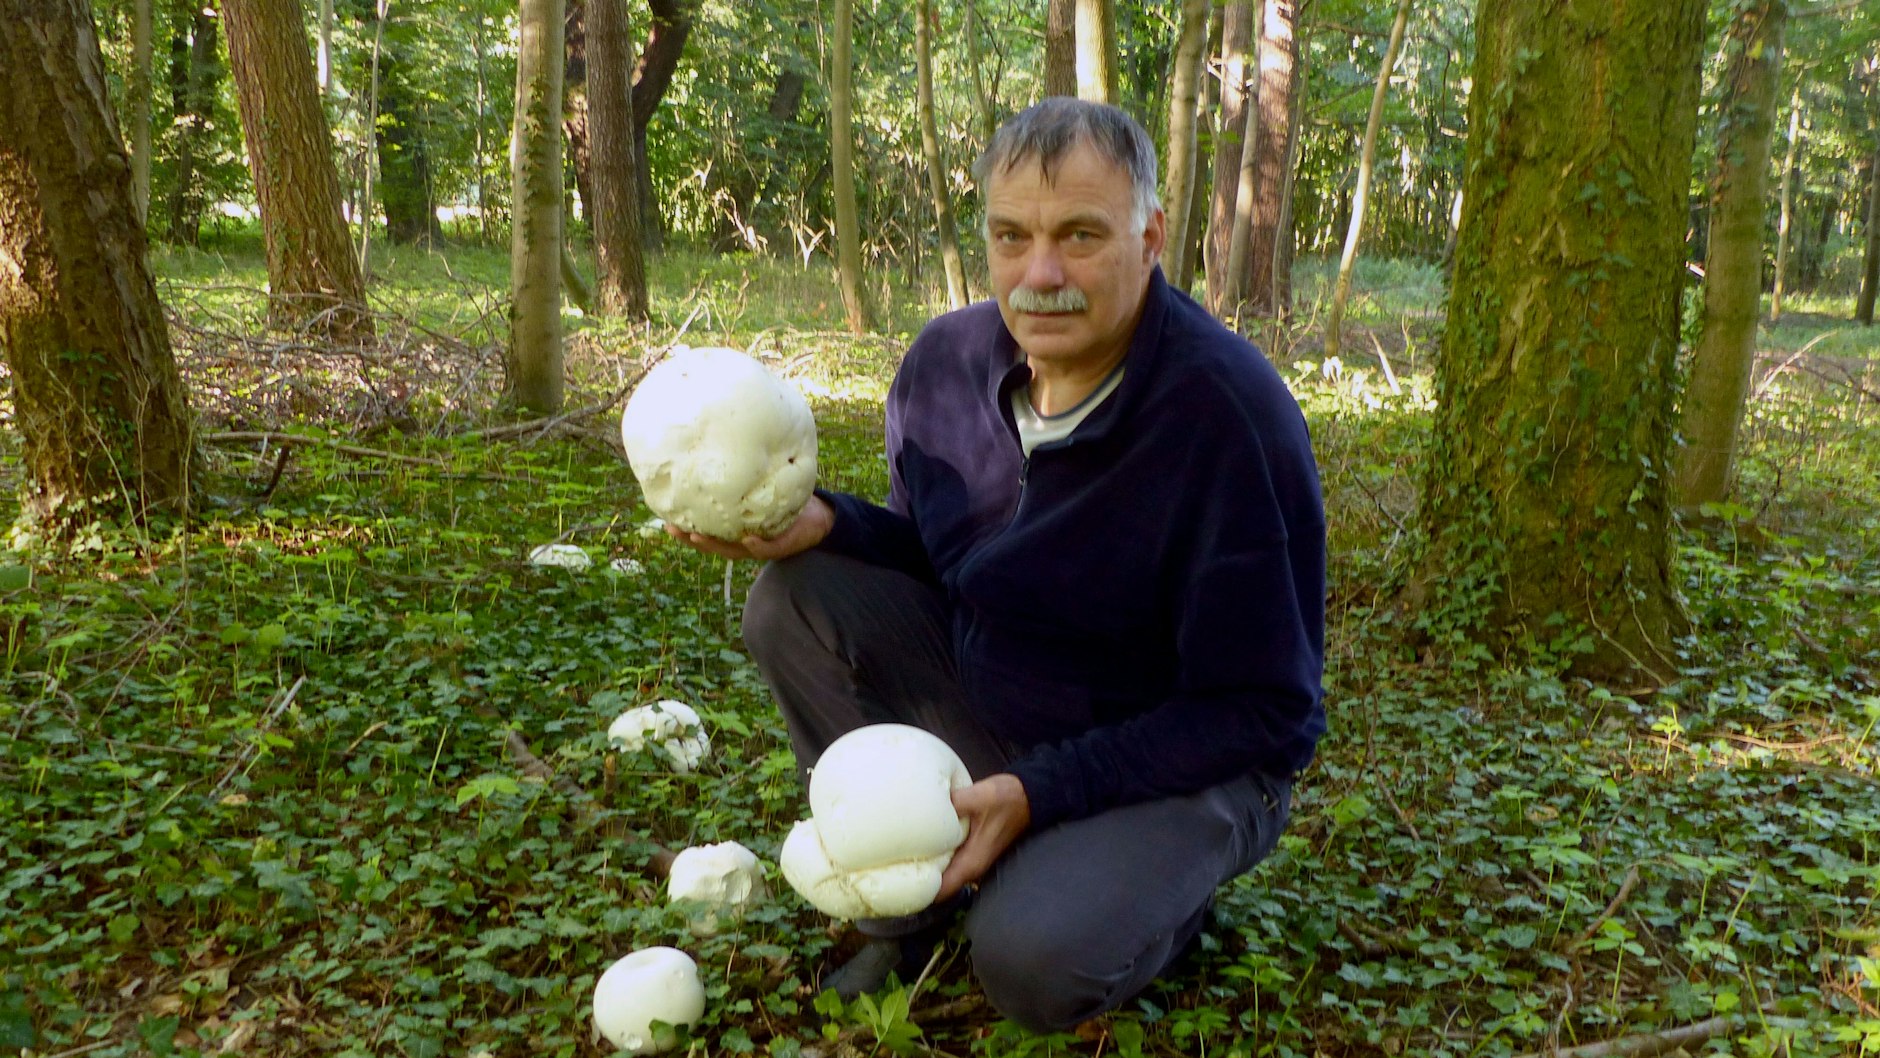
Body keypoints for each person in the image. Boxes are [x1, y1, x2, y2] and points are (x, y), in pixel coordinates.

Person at [667, 97, 1325, 1033]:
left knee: (1030, 962)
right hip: (1011, 710)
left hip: (1191, 761)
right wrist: (829, 524)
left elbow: (1264, 710)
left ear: (1151, 237)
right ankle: (915, 899)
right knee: (793, 601)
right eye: (1012, 235)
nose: (1040, 274)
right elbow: (941, 559)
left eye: (1081, 235)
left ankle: (1152, 894)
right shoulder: (944, 367)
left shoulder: (1225, 420)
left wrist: (1047, 791)